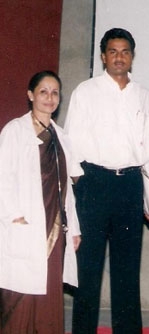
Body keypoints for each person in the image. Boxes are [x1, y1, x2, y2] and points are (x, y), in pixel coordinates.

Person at [64, 28, 149, 333]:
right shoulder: (86, 91)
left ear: (132, 56)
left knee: (127, 272)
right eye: (113, 52)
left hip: (130, 186)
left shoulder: (144, 96)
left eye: (125, 51)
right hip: (94, 185)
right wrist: (83, 185)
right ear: (103, 56)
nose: (119, 57)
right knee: (88, 271)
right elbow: (72, 143)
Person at [0, 70, 81, 333]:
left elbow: (67, 186)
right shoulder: (15, 130)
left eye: (55, 92)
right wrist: (14, 215)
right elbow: (3, 177)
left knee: (48, 291)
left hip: (54, 226)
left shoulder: (62, 137)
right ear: (30, 95)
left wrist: (76, 229)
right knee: (20, 292)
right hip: (24, 223)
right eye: (43, 91)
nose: (49, 97)